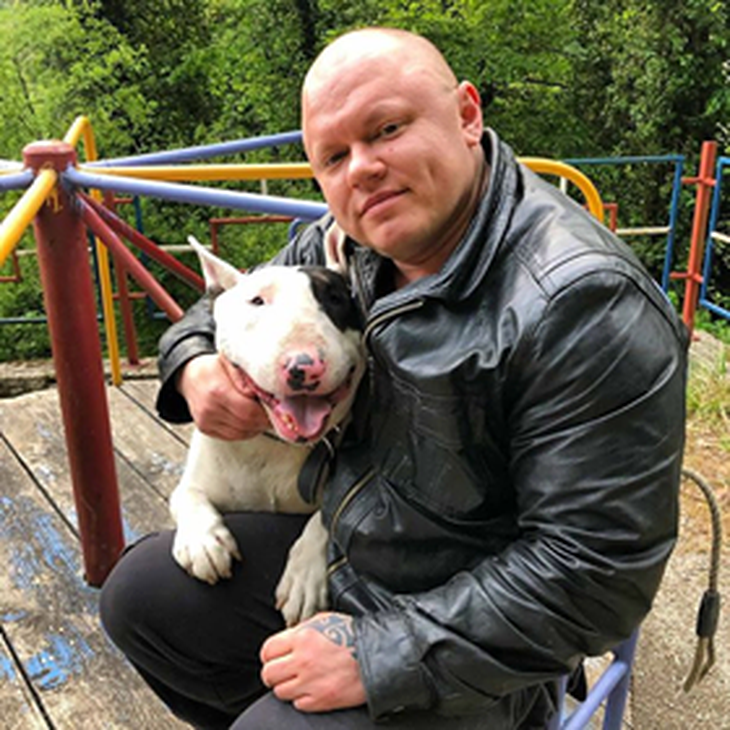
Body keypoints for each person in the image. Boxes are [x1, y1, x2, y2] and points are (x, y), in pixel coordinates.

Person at [100, 27, 688, 729]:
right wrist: (195, 363)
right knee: (137, 600)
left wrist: (376, 658)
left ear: (467, 115)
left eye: (387, 130)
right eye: (334, 156)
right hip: (358, 552)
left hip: (483, 637)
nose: (362, 169)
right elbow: (238, 300)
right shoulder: (351, 238)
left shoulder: (581, 303)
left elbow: (594, 574)